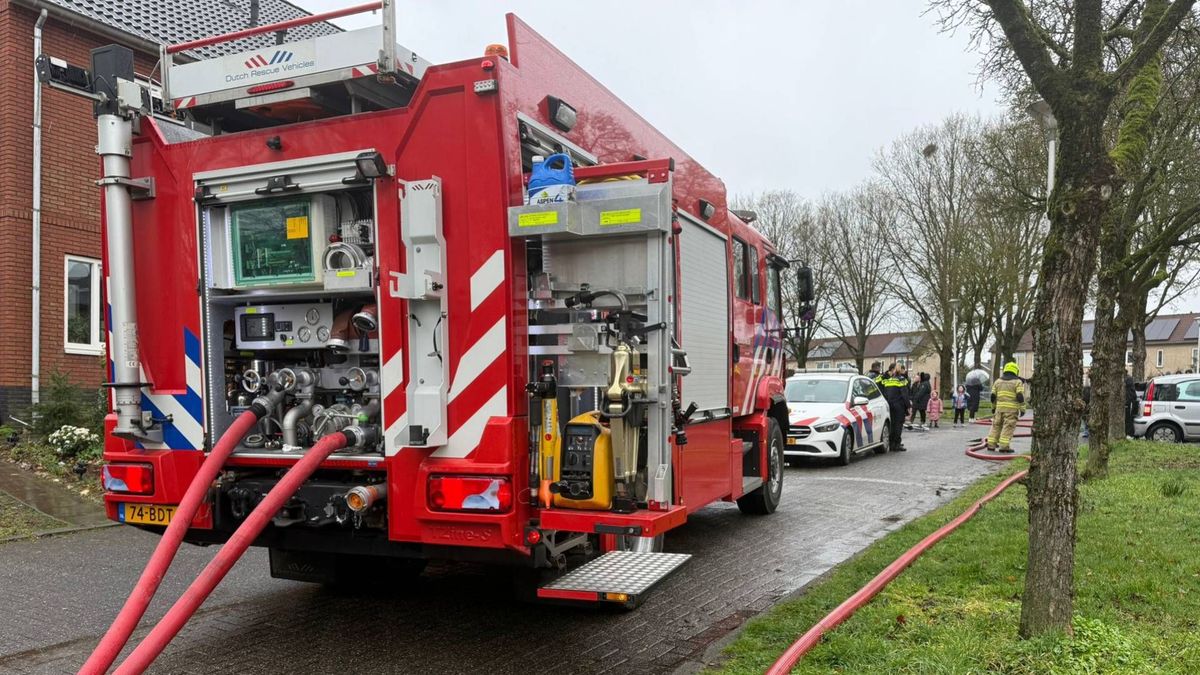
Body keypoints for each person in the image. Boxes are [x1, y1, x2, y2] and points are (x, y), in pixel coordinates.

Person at [987, 361, 1026, 453]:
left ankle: (991, 444)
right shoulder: (1017, 382)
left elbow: (993, 396)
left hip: (999, 409)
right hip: (1011, 410)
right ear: (1016, 371)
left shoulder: (998, 381)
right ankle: (1004, 447)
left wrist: (993, 408)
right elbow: (1020, 395)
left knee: (996, 426)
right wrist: (1022, 408)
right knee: (1008, 427)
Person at [880, 363, 910, 451]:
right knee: (898, 425)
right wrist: (908, 406)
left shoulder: (888, 380)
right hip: (899, 406)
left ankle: (891, 444)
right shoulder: (902, 380)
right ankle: (897, 444)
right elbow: (904, 394)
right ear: (900, 370)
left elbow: (885, 392)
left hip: (890, 405)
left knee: (892, 425)